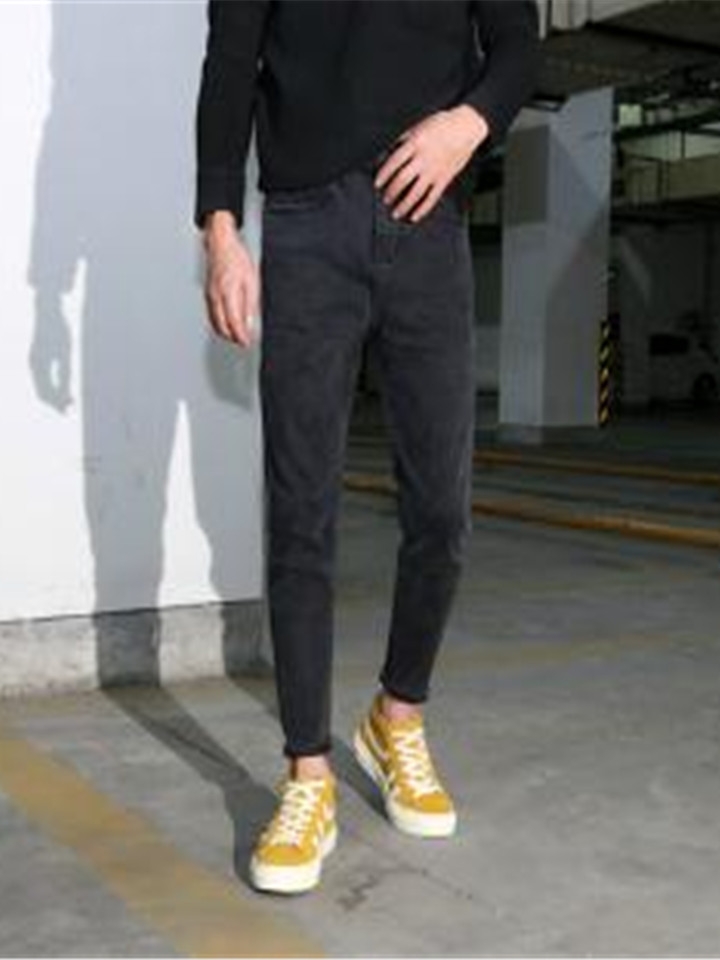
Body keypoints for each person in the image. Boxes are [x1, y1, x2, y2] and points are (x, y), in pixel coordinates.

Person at [194, 0, 540, 895]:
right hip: (308, 224)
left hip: (430, 217)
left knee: (442, 512)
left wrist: (469, 123)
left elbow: (516, 41)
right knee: (301, 512)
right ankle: (308, 773)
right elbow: (231, 61)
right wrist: (220, 228)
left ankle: (397, 716)